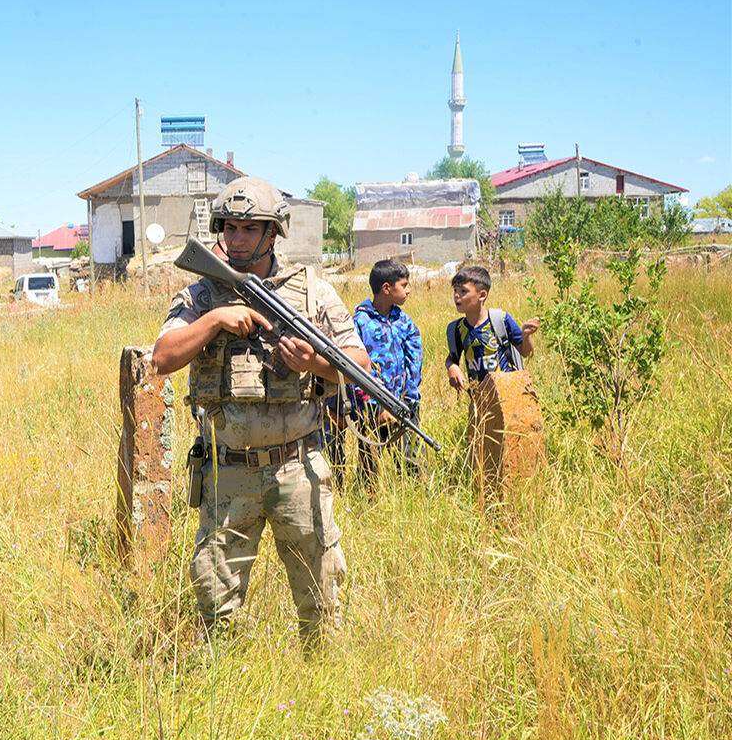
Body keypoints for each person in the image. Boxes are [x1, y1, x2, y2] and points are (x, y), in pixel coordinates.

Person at [152, 176, 371, 644]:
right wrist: (215, 320)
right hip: (226, 473)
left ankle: (322, 694)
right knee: (215, 607)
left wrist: (316, 362)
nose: (236, 238)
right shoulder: (201, 296)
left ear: (275, 233)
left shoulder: (311, 290)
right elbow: (163, 357)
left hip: (298, 467)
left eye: (250, 228)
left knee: (323, 601)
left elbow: (360, 366)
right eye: (229, 227)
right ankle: (220, 697)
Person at [324, 259, 424, 485]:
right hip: (369, 405)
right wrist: (373, 402)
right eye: (404, 285)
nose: (408, 290)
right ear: (387, 289)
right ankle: (366, 498)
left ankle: (414, 492)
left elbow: (414, 360)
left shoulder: (404, 321)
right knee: (369, 459)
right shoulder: (359, 322)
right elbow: (354, 368)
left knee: (410, 457)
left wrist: (408, 396)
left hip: (402, 402)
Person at [444, 264, 539, 389]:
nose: (457, 295)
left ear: (482, 295)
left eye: (463, 291)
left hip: (508, 393)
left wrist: (526, 336)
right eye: (455, 290)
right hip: (479, 399)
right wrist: (452, 367)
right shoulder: (457, 329)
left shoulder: (500, 320)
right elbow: (451, 358)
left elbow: (527, 353)